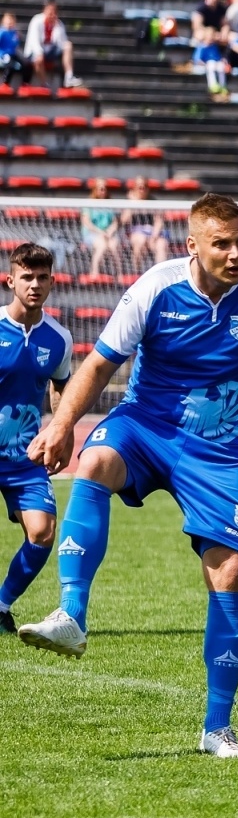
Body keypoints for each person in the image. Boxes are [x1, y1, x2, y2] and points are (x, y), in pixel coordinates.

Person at [19, 193, 238, 759]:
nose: (236, 253)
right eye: (222, 244)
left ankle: (217, 728)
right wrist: (62, 424)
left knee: (232, 571)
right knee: (95, 461)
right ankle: (72, 613)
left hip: (217, 451)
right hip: (147, 426)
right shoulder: (153, 289)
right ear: (193, 246)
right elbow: (98, 364)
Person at [0, 244, 71, 635]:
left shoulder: (59, 338)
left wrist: (60, 432)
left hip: (25, 457)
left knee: (42, 532)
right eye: (27, 277)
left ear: (52, 282)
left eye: (42, 277)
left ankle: (1, 605)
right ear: (11, 281)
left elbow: (61, 390)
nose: (35, 284)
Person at [24, 1, 81, 88]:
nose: (52, 14)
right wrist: (39, 53)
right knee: (38, 60)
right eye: (50, 11)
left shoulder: (59, 24)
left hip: (50, 51)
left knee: (68, 45)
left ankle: (69, 77)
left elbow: (62, 42)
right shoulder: (36, 20)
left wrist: (57, 27)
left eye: (54, 12)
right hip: (34, 51)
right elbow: (33, 40)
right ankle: (44, 83)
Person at [120, 177, 168, 272]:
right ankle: (136, 273)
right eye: (139, 187)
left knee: (161, 244)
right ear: (134, 188)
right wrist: (133, 203)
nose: (142, 189)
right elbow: (123, 220)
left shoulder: (153, 201)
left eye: (144, 187)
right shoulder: (129, 202)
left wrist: (154, 236)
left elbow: (159, 221)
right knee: (141, 241)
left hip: (151, 232)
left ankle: (161, 273)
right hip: (135, 232)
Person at [82, 179, 120, 276]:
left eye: (104, 189)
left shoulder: (110, 203)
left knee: (114, 245)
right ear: (95, 189)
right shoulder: (89, 203)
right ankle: (94, 271)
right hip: (92, 234)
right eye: (100, 189)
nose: (103, 191)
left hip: (107, 234)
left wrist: (110, 231)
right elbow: (87, 222)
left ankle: (119, 274)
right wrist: (100, 232)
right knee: (102, 244)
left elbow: (115, 222)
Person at [0, 13, 21, 88]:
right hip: (4, 54)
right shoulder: (2, 32)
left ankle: (25, 83)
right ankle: (6, 82)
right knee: (9, 63)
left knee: (25, 63)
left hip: (13, 54)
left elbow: (16, 44)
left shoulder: (14, 33)